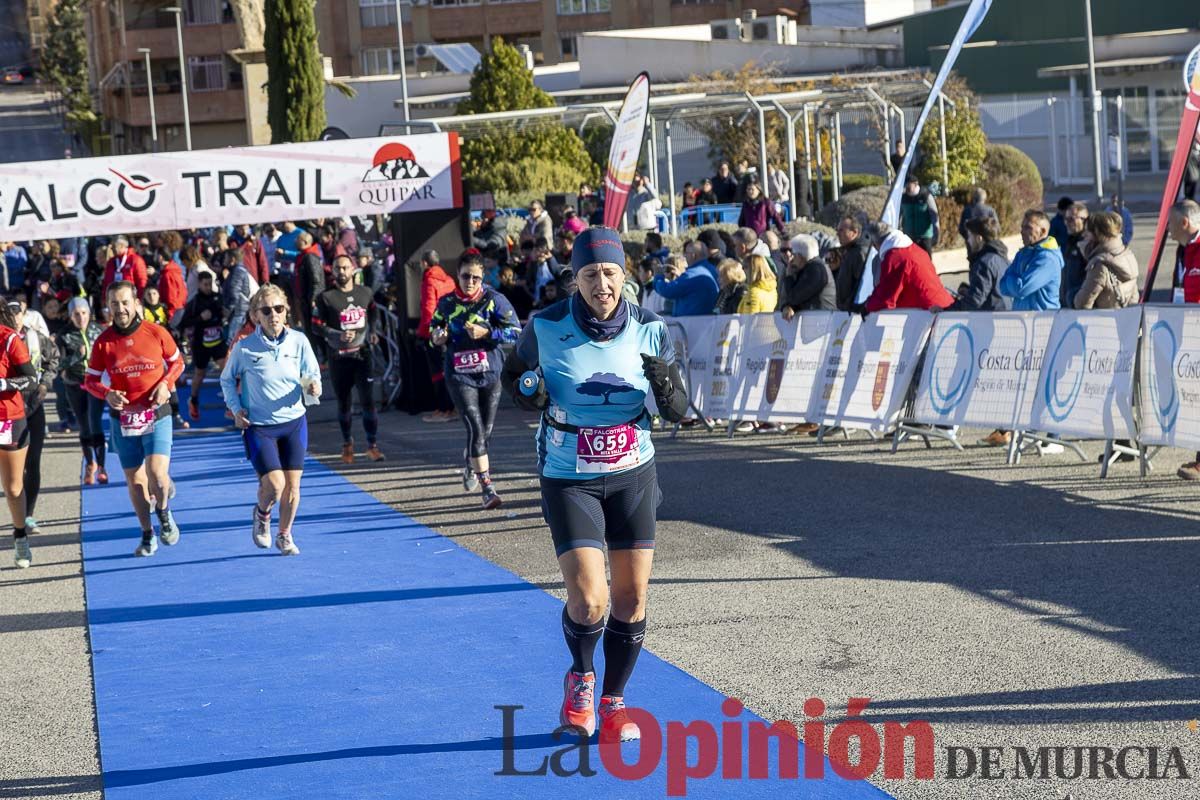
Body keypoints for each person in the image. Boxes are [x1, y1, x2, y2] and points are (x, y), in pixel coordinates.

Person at [500, 226, 689, 745]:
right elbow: (513, 378)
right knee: (590, 601)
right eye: (590, 274)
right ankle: (580, 679)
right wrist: (530, 393)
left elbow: (677, 408)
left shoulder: (650, 327)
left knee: (631, 598)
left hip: (633, 471)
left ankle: (614, 702)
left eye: (609, 273)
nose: (601, 284)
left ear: (623, 276)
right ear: (575, 279)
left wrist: (669, 388)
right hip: (569, 474)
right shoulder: (547, 325)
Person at [84, 281, 184, 557]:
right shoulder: (104, 342)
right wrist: (107, 394)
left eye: (125, 302)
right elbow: (90, 380)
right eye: (115, 303)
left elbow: (178, 363)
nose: (120, 309)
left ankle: (164, 513)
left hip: (156, 411)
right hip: (124, 419)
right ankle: (147, 533)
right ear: (108, 306)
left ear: (136, 303)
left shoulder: (155, 332)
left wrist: (166, 384)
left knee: (157, 475)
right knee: (135, 481)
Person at [221, 285, 321, 556]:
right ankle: (262, 514)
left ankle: (285, 535)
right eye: (266, 310)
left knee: (293, 487)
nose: (274, 315)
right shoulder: (244, 348)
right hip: (260, 427)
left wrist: (313, 388)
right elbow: (227, 379)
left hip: (294, 421)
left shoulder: (299, 341)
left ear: (286, 310)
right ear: (255, 316)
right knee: (275, 485)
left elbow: (312, 375)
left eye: (279, 309)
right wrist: (236, 408)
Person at [430, 252, 521, 509]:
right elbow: (432, 330)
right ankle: (488, 489)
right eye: (465, 276)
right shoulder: (447, 303)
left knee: (486, 432)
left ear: (483, 277)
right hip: (459, 374)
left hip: (490, 374)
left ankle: (470, 462)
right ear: (457, 275)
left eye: (476, 277)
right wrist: (437, 337)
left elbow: (516, 332)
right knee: (476, 429)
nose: (470, 281)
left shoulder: (494, 300)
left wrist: (487, 332)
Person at [315, 255, 383, 464]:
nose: (341, 272)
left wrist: (373, 331)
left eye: (345, 268)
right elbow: (316, 324)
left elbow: (373, 312)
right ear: (333, 271)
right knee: (344, 403)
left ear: (353, 269)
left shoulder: (365, 292)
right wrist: (337, 335)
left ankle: (372, 446)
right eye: (337, 268)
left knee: (368, 401)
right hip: (339, 357)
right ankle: (347, 444)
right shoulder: (326, 297)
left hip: (362, 355)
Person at [10, 298, 57, 537]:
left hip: (33, 405)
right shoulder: (3, 339)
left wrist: (45, 385)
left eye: (17, 314)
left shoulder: (35, 337)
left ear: (24, 314)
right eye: (9, 314)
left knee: (33, 462)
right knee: (11, 470)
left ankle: (28, 515)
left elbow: (53, 359)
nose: (14, 319)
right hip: (8, 409)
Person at [0, 302, 36, 568]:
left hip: (8, 419)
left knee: (13, 488)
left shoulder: (9, 338)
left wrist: (4, 384)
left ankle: (20, 535)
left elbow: (30, 379)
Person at [57, 298, 107, 485]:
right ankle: (90, 463)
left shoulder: (98, 331)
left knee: (95, 423)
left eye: (84, 313)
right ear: (71, 316)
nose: (81, 317)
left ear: (89, 313)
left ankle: (102, 466)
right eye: (76, 314)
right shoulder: (64, 335)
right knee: (84, 425)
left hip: (95, 384)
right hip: (74, 384)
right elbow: (58, 365)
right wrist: (78, 355)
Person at [1168, 201, 1200, 480]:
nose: (1166, 229)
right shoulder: (1184, 251)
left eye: (1170, 223)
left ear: (1184, 223)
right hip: (1190, 336)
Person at [863, 222, 955, 313]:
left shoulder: (895, 258)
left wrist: (867, 305)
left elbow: (886, 298)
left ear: (875, 245)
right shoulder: (914, 249)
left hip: (928, 313)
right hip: (944, 305)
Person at [179, 271, 227, 421]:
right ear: (199, 284)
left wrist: (225, 314)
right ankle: (193, 400)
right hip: (201, 343)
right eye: (205, 284)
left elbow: (223, 314)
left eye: (210, 284)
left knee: (227, 370)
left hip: (217, 340)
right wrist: (200, 317)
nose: (208, 287)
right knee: (200, 373)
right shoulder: (194, 302)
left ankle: (233, 404)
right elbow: (184, 323)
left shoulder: (218, 297)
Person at [417, 249, 457, 422]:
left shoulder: (429, 280)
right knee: (448, 368)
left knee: (438, 371)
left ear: (425, 263)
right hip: (450, 330)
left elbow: (428, 308)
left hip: (434, 331)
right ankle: (452, 407)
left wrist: (426, 332)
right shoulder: (449, 279)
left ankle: (444, 409)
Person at [1000, 210, 1063, 312]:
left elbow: (1021, 289)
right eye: (1022, 227)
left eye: (1028, 227)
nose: (1022, 231)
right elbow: (1002, 286)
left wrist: (1011, 279)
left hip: (1044, 323)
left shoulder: (1048, 259)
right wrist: (1015, 282)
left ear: (1043, 231)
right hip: (1022, 322)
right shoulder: (1021, 254)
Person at [1075, 210, 1138, 310]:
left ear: (1097, 233)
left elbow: (1082, 303)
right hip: (1127, 317)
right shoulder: (1127, 254)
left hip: (1103, 321)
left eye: (1087, 231)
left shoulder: (1100, 264)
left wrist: (1070, 296)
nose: (1084, 235)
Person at [949, 215, 1008, 311]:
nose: (968, 240)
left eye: (970, 236)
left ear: (979, 239)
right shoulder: (1001, 257)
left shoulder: (984, 263)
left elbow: (974, 301)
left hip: (990, 321)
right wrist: (969, 291)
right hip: (1004, 317)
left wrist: (947, 310)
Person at [779, 234, 836, 317]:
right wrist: (787, 306)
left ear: (800, 256)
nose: (792, 258)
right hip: (817, 322)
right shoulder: (807, 269)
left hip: (823, 323)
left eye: (793, 254)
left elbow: (794, 298)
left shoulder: (816, 270)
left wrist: (789, 277)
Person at [651, 249, 718, 317]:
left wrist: (658, 277)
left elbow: (667, 291)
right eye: (666, 269)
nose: (668, 272)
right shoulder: (710, 269)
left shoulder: (690, 275)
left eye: (686, 253)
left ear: (693, 255)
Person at [833, 215, 870, 312]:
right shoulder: (849, 252)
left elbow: (863, 284)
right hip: (847, 311)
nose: (837, 233)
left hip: (854, 313)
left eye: (841, 230)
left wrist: (849, 305)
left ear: (854, 232)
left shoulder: (859, 253)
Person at [1059, 201, 1090, 308]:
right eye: (1066, 219)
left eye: (1071, 219)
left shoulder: (1088, 246)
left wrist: (1073, 298)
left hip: (1078, 307)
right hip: (1066, 306)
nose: (1067, 222)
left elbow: (1092, 280)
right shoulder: (1070, 243)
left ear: (1084, 220)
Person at [898, 175, 939, 255]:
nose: (907, 187)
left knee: (926, 260)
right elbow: (900, 216)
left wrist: (936, 233)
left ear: (915, 184)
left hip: (925, 236)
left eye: (909, 184)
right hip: (909, 237)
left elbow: (934, 216)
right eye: (906, 184)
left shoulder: (926, 196)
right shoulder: (904, 198)